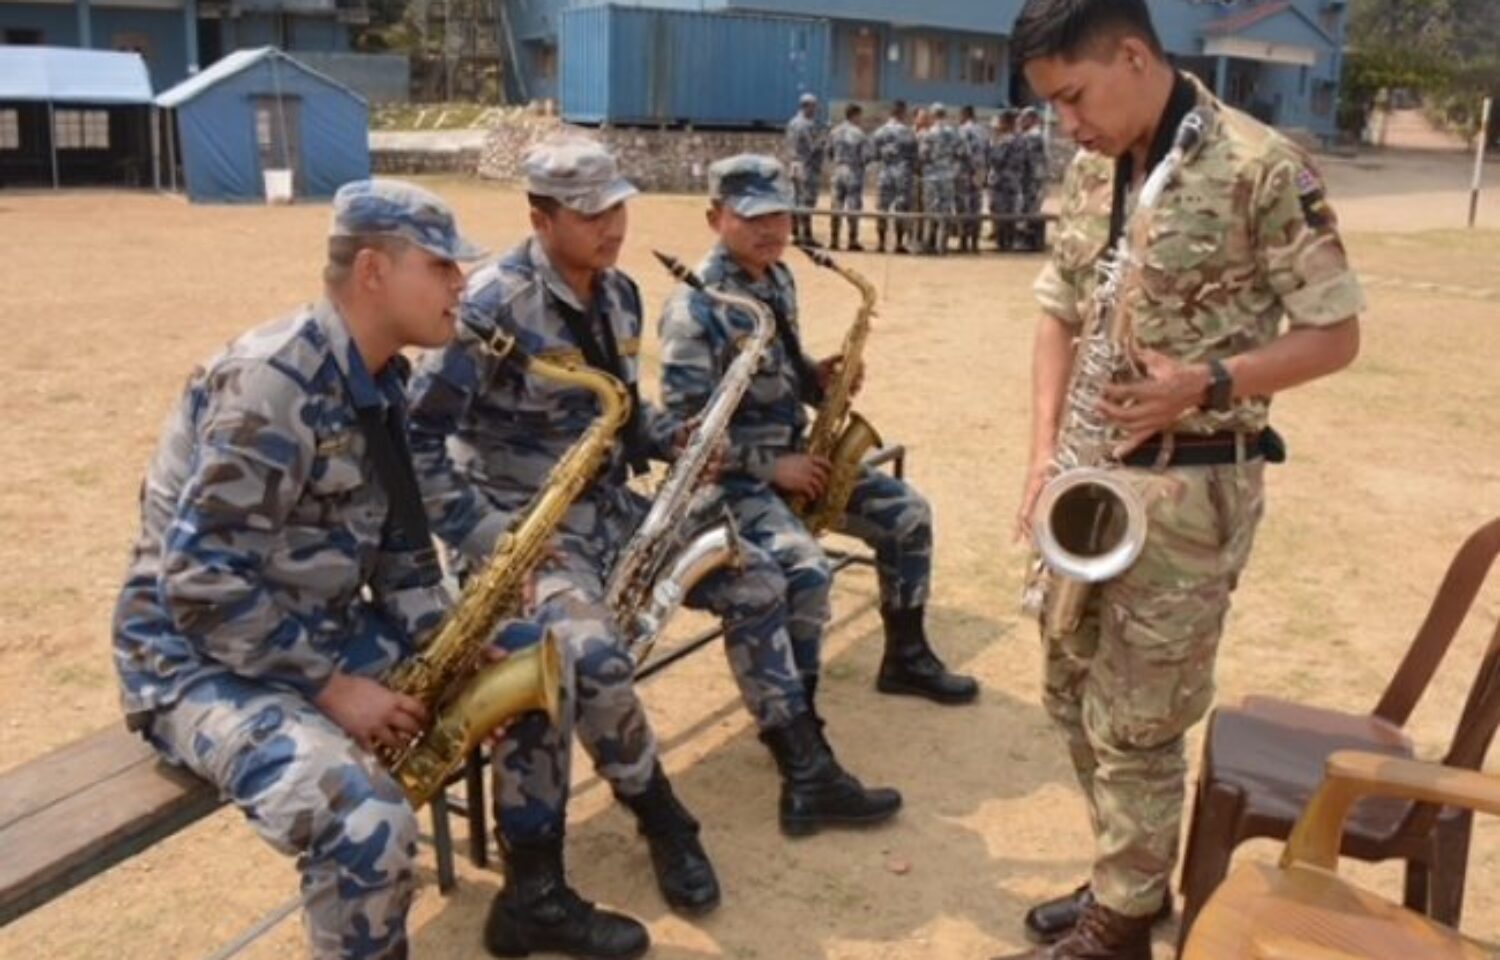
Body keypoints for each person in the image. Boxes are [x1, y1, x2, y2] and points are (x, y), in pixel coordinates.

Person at [406, 136, 901, 957]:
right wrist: (500, 545)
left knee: (757, 580)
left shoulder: (623, 293)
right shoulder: (488, 308)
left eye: (619, 206)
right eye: (590, 212)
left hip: (610, 509)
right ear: (540, 216)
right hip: (523, 536)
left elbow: (624, 414)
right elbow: (418, 448)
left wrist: (678, 438)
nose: (612, 226)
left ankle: (804, 765)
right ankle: (660, 818)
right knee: (591, 662)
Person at [1004, 1, 1364, 957]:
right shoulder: (1092, 170)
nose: (1068, 125)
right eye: (1053, 107)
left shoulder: (1260, 166)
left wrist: (1207, 383)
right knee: (1068, 686)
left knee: (1143, 720)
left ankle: (1121, 922)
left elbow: (1336, 335)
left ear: (1133, 54)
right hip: (1089, 475)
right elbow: (1057, 313)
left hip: (1192, 489)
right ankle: (1128, 870)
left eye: (1074, 97)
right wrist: (1044, 456)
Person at [112, 179, 489, 960]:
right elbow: (199, 585)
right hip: (190, 660)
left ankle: (538, 895)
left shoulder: (383, 380)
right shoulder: (272, 383)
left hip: (305, 628)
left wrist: (459, 637)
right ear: (374, 273)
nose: (463, 284)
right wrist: (328, 685)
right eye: (444, 266)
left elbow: (398, 555)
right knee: (368, 825)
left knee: (506, 676)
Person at [659, 153, 981, 719]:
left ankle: (906, 657)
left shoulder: (778, 279)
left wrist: (818, 378)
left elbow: (780, 371)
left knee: (908, 515)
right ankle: (797, 724)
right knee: (805, 567)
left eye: (780, 217)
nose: (772, 231)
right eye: (753, 216)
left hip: (800, 461)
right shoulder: (696, 307)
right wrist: (771, 468)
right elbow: (685, 435)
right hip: (732, 484)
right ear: (715, 217)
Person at [917, 103, 966, 254]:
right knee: (945, 210)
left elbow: (923, 155)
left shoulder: (928, 133)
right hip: (947, 175)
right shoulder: (954, 132)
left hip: (931, 176)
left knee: (930, 211)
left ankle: (927, 243)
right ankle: (941, 245)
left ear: (932, 115)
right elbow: (962, 152)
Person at [871, 99, 919, 254]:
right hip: (902, 174)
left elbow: (873, 154)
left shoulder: (880, 131)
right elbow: (914, 156)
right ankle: (899, 243)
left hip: (885, 173)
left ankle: (881, 242)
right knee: (901, 208)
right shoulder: (908, 132)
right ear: (902, 112)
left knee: (882, 208)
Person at [827, 102, 872, 251]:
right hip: (853, 172)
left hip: (838, 170)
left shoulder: (834, 131)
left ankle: (834, 239)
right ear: (855, 115)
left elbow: (829, 152)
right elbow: (866, 156)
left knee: (836, 205)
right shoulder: (859, 133)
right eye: (860, 116)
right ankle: (852, 240)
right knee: (853, 206)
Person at [785, 91, 827, 248]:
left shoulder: (792, 123)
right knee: (807, 200)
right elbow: (812, 147)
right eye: (814, 107)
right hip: (806, 166)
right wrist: (823, 139)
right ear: (807, 106)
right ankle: (806, 235)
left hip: (793, 164)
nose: (815, 110)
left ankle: (794, 232)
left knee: (794, 199)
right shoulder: (806, 124)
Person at [986, 109, 1024, 250]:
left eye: (1000, 122)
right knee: (1009, 211)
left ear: (1006, 123)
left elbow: (996, 159)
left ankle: (1003, 242)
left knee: (1000, 211)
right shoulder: (1019, 138)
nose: (998, 125)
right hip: (1012, 180)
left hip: (1002, 181)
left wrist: (992, 146)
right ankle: (1007, 241)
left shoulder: (1006, 140)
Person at [955, 105, 989, 252]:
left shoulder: (963, 131)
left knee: (963, 208)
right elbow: (989, 151)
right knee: (976, 208)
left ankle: (963, 243)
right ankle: (975, 244)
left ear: (965, 115)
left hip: (965, 173)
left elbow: (961, 151)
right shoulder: (983, 131)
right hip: (979, 174)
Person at [1017, 106, 1050, 251]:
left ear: (1031, 119)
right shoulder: (1035, 135)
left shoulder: (1033, 136)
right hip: (1034, 178)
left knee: (1029, 209)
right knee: (1029, 208)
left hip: (1032, 179)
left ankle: (1029, 242)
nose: (1021, 122)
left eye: (1024, 119)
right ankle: (1030, 240)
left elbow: (1023, 156)